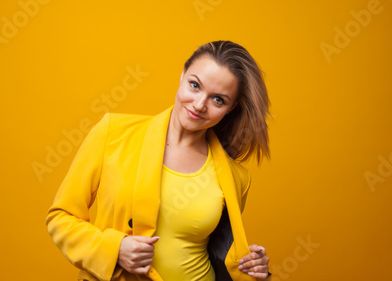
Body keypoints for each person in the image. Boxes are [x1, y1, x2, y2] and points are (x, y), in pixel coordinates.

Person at [46, 40, 271, 281]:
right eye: (194, 85)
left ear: (231, 107)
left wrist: (255, 269)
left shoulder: (236, 177)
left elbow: (221, 254)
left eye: (218, 100)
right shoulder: (112, 133)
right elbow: (60, 218)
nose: (199, 105)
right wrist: (114, 249)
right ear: (182, 75)